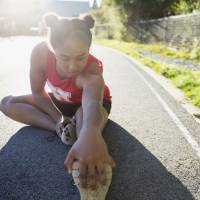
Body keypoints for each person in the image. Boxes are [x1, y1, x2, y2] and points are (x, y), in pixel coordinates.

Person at [0, 12, 116, 195]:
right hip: (58, 102)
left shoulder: (92, 69)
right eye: (64, 57)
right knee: (7, 103)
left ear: (89, 49)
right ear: (52, 49)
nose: (73, 66)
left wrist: (91, 132)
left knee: (86, 125)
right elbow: (38, 94)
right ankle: (61, 129)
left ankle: (92, 177)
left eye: (80, 57)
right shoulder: (40, 53)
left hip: (86, 106)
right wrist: (59, 118)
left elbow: (92, 103)